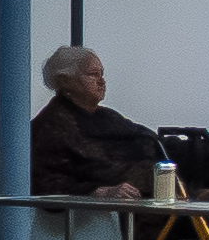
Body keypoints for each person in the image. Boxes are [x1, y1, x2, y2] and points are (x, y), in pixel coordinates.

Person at [29, 45, 164, 199]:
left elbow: (149, 140)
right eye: (93, 74)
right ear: (64, 81)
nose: (101, 81)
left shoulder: (107, 117)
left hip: (151, 204)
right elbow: (46, 184)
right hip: (103, 216)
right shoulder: (49, 127)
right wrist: (99, 192)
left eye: (102, 74)